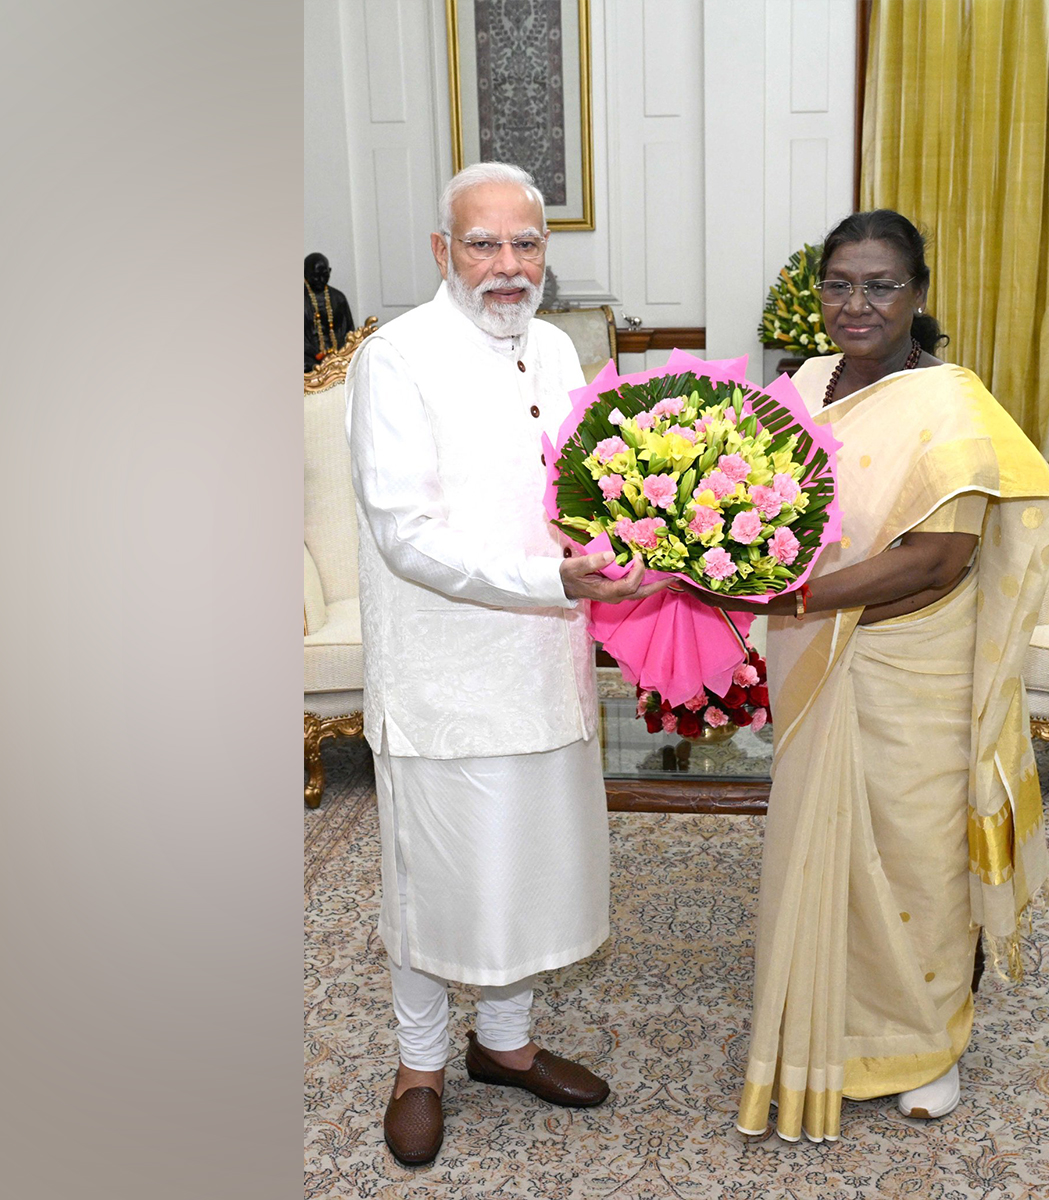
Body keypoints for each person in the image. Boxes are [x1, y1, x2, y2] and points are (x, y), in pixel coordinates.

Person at [695, 210, 1049, 1141]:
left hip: (912, 659)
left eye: (880, 285)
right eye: (838, 284)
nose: (855, 304)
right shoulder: (803, 384)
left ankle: (927, 1042)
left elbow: (937, 560)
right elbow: (746, 500)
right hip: (818, 649)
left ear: (918, 296)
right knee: (818, 843)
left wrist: (786, 598)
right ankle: (826, 1023)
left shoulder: (950, 403)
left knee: (913, 851)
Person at [345, 161, 667, 1167]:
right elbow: (407, 537)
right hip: (443, 678)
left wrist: (632, 539)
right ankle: (418, 1064)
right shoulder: (396, 358)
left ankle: (506, 1044)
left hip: (544, 669)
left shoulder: (563, 349)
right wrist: (554, 581)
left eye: (525, 244)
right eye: (482, 243)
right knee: (436, 880)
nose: (506, 265)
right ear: (442, 252)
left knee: (526, 866)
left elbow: (577, 486)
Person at [305, 252, 355, 372]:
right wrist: (316, 354)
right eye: (316, 275)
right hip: (309, 357)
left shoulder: (338, 298)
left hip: (337, 354)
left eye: (325, 274)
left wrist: (340, 352)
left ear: (330, 271)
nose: (321, 280)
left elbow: (349, 332)